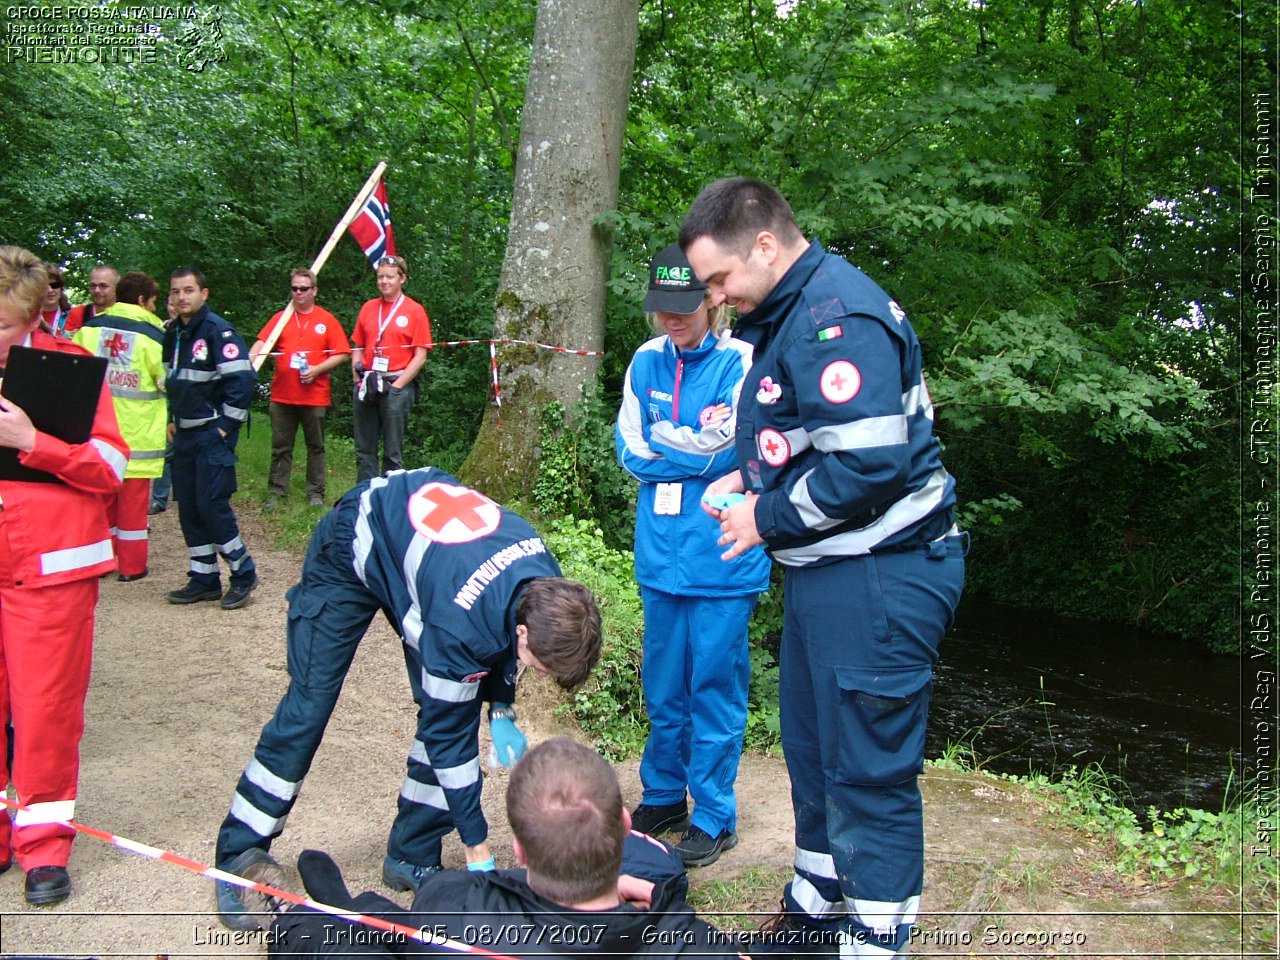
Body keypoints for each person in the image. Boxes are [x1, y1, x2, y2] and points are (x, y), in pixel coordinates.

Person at [682, 179, 966, 958]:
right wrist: (748, 476)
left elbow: (871, 466)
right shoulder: (784, 311)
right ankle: (814, 912)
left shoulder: (836, 318)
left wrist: (762, 516)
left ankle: (872, 942)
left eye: (718, 280)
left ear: (765, 247)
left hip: (884, 572)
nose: (715, 297)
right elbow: (805, 433)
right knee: (812, 754)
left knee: (867, 773)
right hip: (830, 572)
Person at [212, 466, 602, 932]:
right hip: (353, 545)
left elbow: (503, 645)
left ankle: (412, 852)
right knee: (309, 708)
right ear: (524, 634)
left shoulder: (547, 583)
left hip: (430, 569)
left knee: (449, 702)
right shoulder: (461, 626)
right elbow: (448, 737)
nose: (534, 673)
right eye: (538, 666)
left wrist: (501, 706)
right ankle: (239, 853)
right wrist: (477, 846)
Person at [237, 738, 745, 959]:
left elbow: (434, 909)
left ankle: (302, 916)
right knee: (382, 921)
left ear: (519, 852)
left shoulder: (456, 911)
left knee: (355, 941)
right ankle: (347, 908)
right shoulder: (680, 924)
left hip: (448, 933)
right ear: (627, 825)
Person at [615, 244, 770, 868]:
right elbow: (628, 449)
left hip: (723, 556)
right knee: (664, 685)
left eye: (684, 308)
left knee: (713, 686)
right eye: (662, 309)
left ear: (712, 296)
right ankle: (662, 795)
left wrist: (668, 444)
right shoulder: (645, 360)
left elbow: (732, 451)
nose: (672, 321)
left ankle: (712, 814)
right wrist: (687, 448)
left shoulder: (743, 361)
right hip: (660, 554)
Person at [0, 246, 128, 905]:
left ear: (29, 318)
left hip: (51, 575)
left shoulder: (71, 371)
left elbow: (111, 466)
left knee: (45, 714)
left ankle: (43, 847)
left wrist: (33, 443)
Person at [162, 266, 258, 610]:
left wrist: (224, 427)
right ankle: (203, 578)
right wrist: (174, 419)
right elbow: (175, 381)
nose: (181, 297)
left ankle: (242, 571)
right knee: (188, 507)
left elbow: (243, 384)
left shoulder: (219, 331)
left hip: (211, 434)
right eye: (175, 291)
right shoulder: (173, 333)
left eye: (188, 290)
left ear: (204, 294)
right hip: (185, 434)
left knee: (211, 505)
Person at [73, 271, 168, 582]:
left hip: (96, 434)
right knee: (132, 510)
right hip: (136, 437)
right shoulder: (154, 338)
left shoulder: (88, 331)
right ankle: (131, 568)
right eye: (153, 302)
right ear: (142, 300)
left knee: (100, 505)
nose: (154, 309)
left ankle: (101, 563)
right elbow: (167, 382)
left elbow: (72, 375)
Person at [249, 269, 351, 508]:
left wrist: (317, 369)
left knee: (316, 446)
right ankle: (276, 493)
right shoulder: (282, 317)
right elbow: (262, 343)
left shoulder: (326, 320)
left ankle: (315, 493)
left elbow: (343, 354)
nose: (298, 293)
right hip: (283, 395)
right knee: (280, 447)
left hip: (314, 397)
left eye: (304, 288)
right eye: (294, 288)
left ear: (314, 290)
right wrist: (246, 363)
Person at [350, 255, 431, 482]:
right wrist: (357, 378)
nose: (384, 281)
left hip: (397, 383)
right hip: (367, 381)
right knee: (364, 447)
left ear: (402, 278)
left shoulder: (414, 311)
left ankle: (388, 497)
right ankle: (364, 495)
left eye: (390, 277)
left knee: (392, 451)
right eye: (380, 277)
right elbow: (357, 345)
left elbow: (420, 355)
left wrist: (397, 386)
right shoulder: (368, 308)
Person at [148, 289, 180, 515]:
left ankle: (183, 491)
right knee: (167, 449)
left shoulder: (196, 332)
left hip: (186, 394)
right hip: (163, 394)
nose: (175, 307)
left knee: (183, 447)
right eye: (170, 303)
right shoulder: (158, 330)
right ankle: (159, 498)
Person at [63, 264, 119, 336]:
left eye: (103, 286)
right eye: (93, 285)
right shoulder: (77, 314)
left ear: (116, 288)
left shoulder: (125, 315)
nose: (97, 290)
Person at [37, 264, 70, 337]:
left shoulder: (72, 316)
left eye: (54, 285)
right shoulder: (28, 318)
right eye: (45, 286)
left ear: (61, 288)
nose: (50, 290)